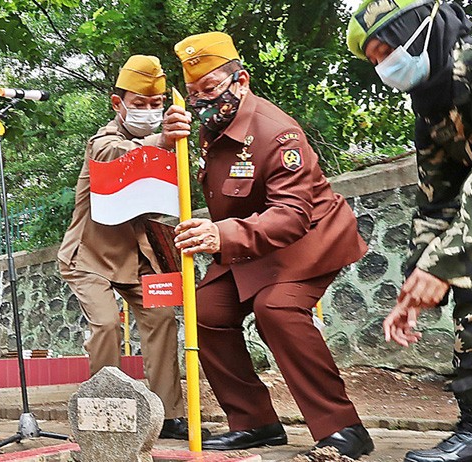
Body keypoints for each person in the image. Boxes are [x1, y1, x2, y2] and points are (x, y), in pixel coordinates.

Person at [171, 32, 373, 458]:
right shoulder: (212, 125)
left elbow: (292, 214)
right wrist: (167, 140)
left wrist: (220, 235)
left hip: (308, 239)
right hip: (251, 243)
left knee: (276, 309)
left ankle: (344, 428)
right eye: (193, 93)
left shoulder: (276, 132)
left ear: (240, 81)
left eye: (210, 89)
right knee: (204, 311)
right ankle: (254, 423)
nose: (202, 101)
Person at [347, 1, 472, 461]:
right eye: (374, 61)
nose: (385, 66)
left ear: (421, 30)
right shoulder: (432, 111)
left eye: (387, 49)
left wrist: (447, 263)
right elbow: (438, 201)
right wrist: (417, 281)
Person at [57, 55, 205, 440]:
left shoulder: (174, 148)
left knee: (162, 321)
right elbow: (117, 156)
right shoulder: (102, 142)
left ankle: (167, 414)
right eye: (139, 104)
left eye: (155, 105)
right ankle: (105, 411)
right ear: (116, 103)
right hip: (89, 258)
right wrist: (161, 140)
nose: (148, 111)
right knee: (106, 323)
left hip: (142, 257)